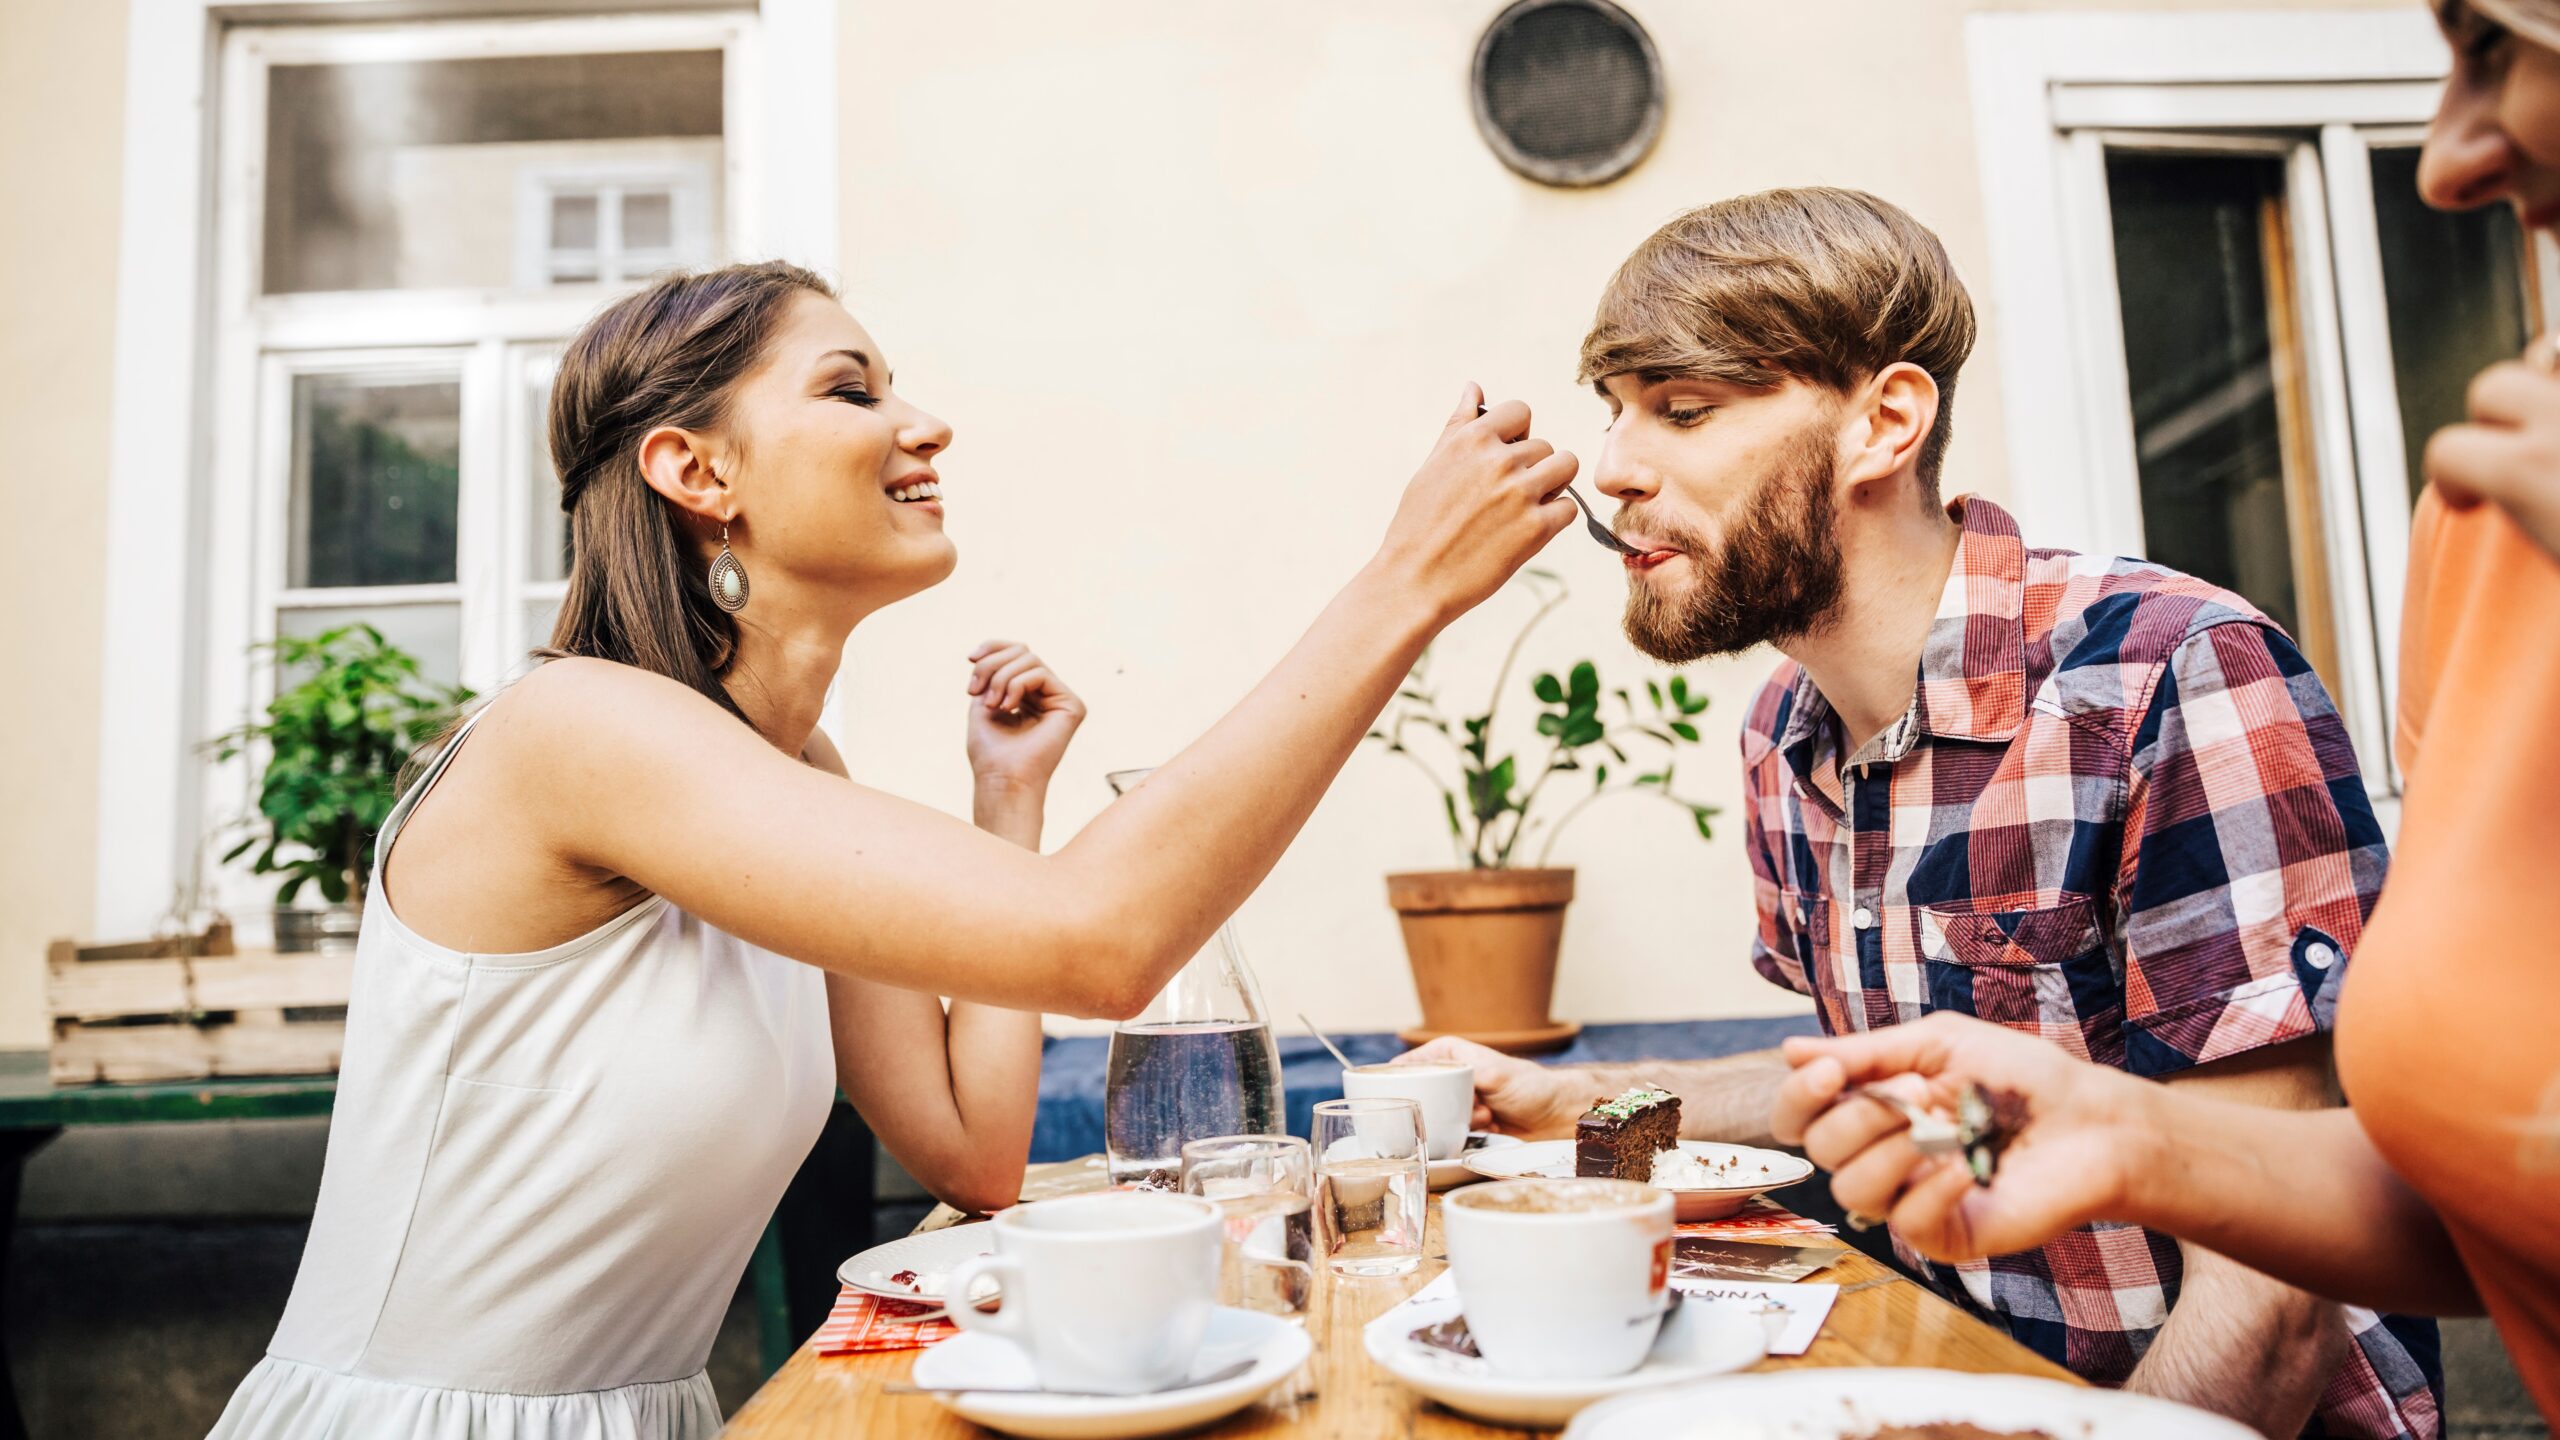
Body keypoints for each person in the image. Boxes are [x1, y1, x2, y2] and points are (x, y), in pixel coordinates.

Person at [209, 261, 1578, 1439]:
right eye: (851, 390)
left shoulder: (787, 772)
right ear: (696, 471)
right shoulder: (580, 730)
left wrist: (1007, 808)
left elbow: (970, 1153)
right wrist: (1403, 586)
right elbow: (1098, 944)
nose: (925, 424)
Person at [1405, 188, 2439, 1435]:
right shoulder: (1782, 732)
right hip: (1945, 1392)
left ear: (1884, 423)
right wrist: (1577, 1104)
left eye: (1680, 410)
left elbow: (2272, 1300)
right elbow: (1866, 1077)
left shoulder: (2173, 674)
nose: (1614, 469)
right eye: (1612, 411)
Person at [1771, 0, 2560, 1427]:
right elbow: (2490, 1207)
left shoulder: (2173, 666)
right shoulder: (2491, 519)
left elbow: (2285, 1312)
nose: (2444, 159)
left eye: (2501, 48)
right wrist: (2129, 1134)